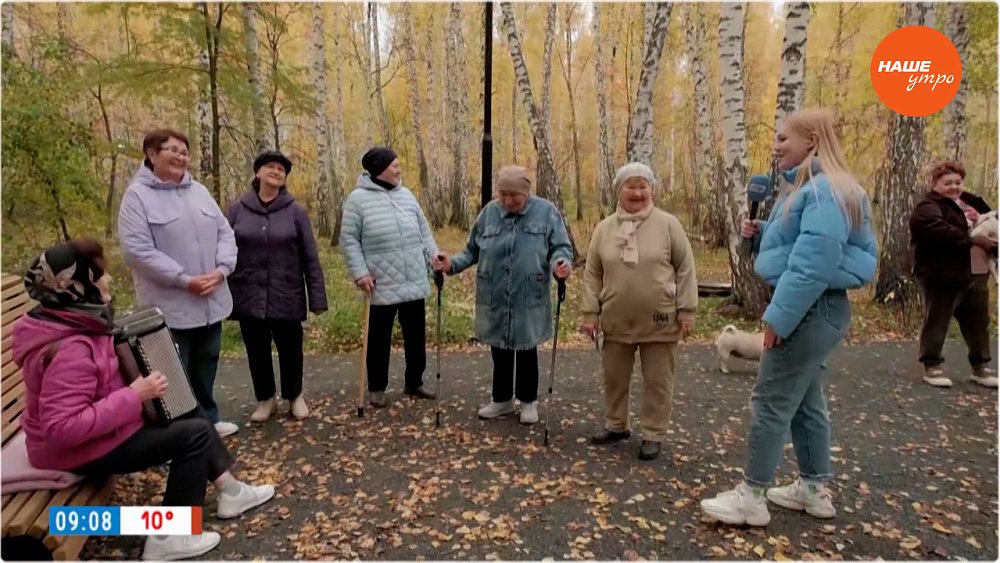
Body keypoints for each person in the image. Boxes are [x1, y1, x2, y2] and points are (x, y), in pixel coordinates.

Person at [12, 239, 275, 561]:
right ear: (76, 289)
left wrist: (146, 368)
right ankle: (170, 535)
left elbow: (98, 379)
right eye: (99, 277)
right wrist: (134, 395)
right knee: (193, 435)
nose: (107, 281)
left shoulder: (72, 321)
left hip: (87, 437)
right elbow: (62, 428)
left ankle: (230, 490)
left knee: (183, 403)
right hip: (71, 451)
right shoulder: (70, 348)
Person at [700, 108, 877, 526]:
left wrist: (779, 318)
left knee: (771, 399)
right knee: (805, 400)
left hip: (809, 306)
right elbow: (809, 243)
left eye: (784, 139)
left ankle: (751, 497)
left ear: (812, 141)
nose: (777, 146)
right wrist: (763, 233)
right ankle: (813, 490)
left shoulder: (822, 191)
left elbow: (814, 261)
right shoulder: (813, 188)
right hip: (819, 305)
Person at [118, 128, 240, 437]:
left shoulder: (198, 191)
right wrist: (184, 280)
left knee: (206, 363)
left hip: (210, 300)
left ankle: (208, 421)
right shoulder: (137, 196)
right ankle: (177, 435)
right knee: (173, 371)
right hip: (169, 306)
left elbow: (225, 232)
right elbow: (138, 251)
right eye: (172, 150)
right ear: (152, 154)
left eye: (184, 152)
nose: (180, 156)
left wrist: (222, 270)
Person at [436, 165, 573, 424]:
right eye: (503, 195)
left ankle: (528, 402)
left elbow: (561, 247)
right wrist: (451, 264)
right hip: (495, 292)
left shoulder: (546, 212)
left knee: (525, 347)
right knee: (499, 347)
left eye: (515, 196)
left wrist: (560, 264)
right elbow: (471, 251)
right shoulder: (489, 213)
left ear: (526, 193)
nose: (508, 201)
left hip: (528, 292)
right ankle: (502, 400)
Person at [579, 162, 697, 460]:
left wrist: (686, 309)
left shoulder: (668, 224)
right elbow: (592, 273)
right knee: (614, 377)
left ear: (651, 190)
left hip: (660, 318)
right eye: (630, 186)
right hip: (616, 318)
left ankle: (653, 433)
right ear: (619, 190)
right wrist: (590, 313)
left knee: (658, 380)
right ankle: (616, 425)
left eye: (642, 186)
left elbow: (685, 268)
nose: (637, 192)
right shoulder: (604, 229)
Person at [227, 150, 328, 422]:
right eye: (270, 167)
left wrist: (317, 297)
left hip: (287, 292)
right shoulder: (237, 210)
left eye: (281, 169)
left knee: (290, 348)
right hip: (248, 293)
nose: (276, 171)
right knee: (256, 349)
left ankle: (294, 397)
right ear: (257, 172)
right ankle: (266, 399)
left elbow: (310, 256)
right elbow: (222, 251)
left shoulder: (296, 212)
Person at [339, 147, 440, 407]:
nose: (398, 169)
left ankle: (414, 382)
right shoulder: (357, 200)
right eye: (394, 165)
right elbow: (349, 240)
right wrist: (360, 273)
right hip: (381, 281)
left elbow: (424, 231)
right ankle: (376, 387)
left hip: (414, 278)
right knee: (379, 337)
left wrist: (435, 258)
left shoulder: (406, 195)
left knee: (416, 335)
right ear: (379, 168)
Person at [908, 160, 997, 388]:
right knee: (938, 319)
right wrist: (971, 238)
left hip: (976, 272)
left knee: (978, 321)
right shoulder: (928, 207)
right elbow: (936, 230)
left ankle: (981, 367)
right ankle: (932, 365)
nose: (954, 187)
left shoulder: (972, 202)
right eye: (948, 183)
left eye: (958, 182)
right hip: (941, 273)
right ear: (936, 184)